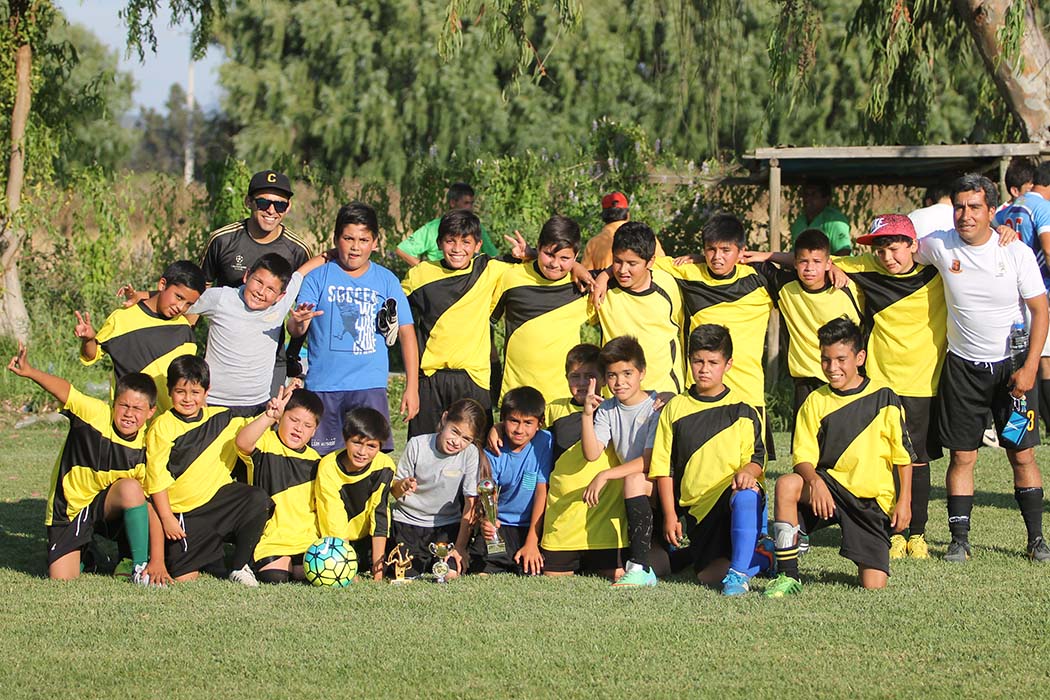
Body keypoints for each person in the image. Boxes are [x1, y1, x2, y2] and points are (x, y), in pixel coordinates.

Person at [915, 173, 1050, 563]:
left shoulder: (1015, 251)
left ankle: (1036, 540)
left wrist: (1028, 369)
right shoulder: (939, 244)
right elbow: (895, 250)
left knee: (1022, 455)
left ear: (992, 211)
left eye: (975, 207)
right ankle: (959, 540)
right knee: (963, 457)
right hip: (962, 371)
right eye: (959, 206)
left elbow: (1041, 311)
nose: (965, 215)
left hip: (1012, 374)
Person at [766, 318, 915, 596]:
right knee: (787, 484)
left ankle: (776, 548)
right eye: (825, 360)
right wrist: (815, 482)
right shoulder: (815, 401)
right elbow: (802, 458)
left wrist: (904, 502)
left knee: (873, 584)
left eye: (840, 359)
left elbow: (903, 458)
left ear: (860, 357)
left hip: (871, 501)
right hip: (829, 490)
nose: (832, 368)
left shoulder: (885, 397)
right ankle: (787, 575)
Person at [7, 343, 166, 584]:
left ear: (151, 411)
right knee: (62, 579)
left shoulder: (149, 442)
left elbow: (152, 503)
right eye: (123, 405)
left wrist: (157, 562)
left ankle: (137, 563)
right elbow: (66, 391)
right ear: (114, 403)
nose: (129, 414)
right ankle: (87, 554)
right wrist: (30, 371)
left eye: (137, 408)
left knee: (132, 488)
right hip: (71, 509)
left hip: (110, 506)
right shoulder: (93, 414)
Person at [289, 201, 419, 455]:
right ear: (336, 239)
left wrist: (411, 387)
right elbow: (296, 329)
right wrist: (298, 321)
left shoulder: (386, 280)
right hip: (324, 386)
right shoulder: (318, 277)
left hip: (369, 386)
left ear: (375, 242)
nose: (355, 247)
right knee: (320, 462)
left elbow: (407, 333)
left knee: (368, 461)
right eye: (348, 238)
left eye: (363, 239)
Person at [649, 325, 770, 596]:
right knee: (707, 576)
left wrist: (748, 471)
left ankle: (739, 575)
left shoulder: (743, 409)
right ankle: (763, 557)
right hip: (698, 510)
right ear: (689, 361)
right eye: (698, 361)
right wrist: (670, 515)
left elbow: (756, 460)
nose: (704, 369)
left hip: (731, 500)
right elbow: (664, 468)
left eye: (713, 362)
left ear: (728, 364)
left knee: (745, 493)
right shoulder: (675, 408)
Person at [655, 213, 777, 456]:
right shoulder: (688, 272)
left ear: (741, 251)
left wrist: (770, 256)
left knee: (749, 473)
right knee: (700, 465)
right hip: (701, 393)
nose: (717, 257)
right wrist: (602, 275)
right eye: (710, 250)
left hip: (747, 392)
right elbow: (637, 260)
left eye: (725, 250)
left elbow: (809, 261)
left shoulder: (760, 276)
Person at [401, 209, 528, 438]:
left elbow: (547, 267)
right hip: (431, 377)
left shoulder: (489, 269)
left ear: (478, 245)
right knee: (423, 452)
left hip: (474, 377)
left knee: (477, 452)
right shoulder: (420, 274)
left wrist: (528, 254)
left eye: (465, 242)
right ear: (439, 243)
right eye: (450, 241)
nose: (457, 249)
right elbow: (392, 309)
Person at [145, 355, 270, 586]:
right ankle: (206, 555)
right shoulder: (162, 427)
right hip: (183, 513)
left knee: (257, 498)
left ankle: (239, 565)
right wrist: (167, 518)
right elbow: (156, 480)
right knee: (185, 578)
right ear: (169, 390)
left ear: (207, 391)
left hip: (218, 503)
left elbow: (249, 434)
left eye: (195, 392)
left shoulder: (223, 417)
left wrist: (272, 414)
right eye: (181, 392)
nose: (188, 399)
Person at [199, 169, 313, 392]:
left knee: (265, 420)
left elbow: (303, 309)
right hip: (224, 353)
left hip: (269, 356)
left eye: (280, 205)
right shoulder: (222, 240)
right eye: (263, 203)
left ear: (288, 207)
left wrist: (292, 356)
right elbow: (197, 295)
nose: (271, 210)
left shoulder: (297, 250)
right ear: (248, 201)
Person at [188, 253, 322, 416]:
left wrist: (334, 254)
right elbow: (181, 302)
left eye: (271, 289)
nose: (261, 292)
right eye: (258, 282)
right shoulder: (221, 298)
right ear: (247, 275)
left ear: (280, 296)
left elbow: (301, 272)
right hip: (213, 401)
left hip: (256, 404)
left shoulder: (279, 306)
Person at [581, 336, 665, 587]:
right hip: (639, 494)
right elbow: (592, 452)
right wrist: (587, 415)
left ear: (642, 372)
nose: (619, 382)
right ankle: (648, 563)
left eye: (627, 373)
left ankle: (638, 568)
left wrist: (605, 475)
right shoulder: (607, 409)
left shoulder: (657, 405)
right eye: (612, 375)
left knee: (633, 478)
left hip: (663, 486)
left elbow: (648, 461)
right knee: (667, 565)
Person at [538, 344, 627, 580]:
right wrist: (497, 428)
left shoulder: (618, 408)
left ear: (604, 380)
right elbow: (522, 426)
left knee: (616, 574)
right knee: (552, 577)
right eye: (575, 376)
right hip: (563, 521)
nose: (582, 383)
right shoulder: (554, 409)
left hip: (604, 522)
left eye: (590, 376)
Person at [76, 260, 205, 413]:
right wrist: (89, 339)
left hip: (166, 427)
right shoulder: (122, 318)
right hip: (129, 424)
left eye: (188, 304)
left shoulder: (184, 331)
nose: (181, 307)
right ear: (162, 285)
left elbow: (186, 383)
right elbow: (91, 356)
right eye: (178, 297)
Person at [491, 215, 593, 403]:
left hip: (565, 399)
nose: (555, 263)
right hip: (518, 396)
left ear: (575, 256)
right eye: (549, 254)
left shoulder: (583, 286)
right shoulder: (511, 278)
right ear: (538, 247)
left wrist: (581, 269)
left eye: (564, 258)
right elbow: (486, 324)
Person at [234, 385, 324, 584]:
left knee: (312, 574)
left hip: (306, 540)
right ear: (282, 417)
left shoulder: (317, 460)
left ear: (314, 430)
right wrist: (269, 416)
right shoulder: (266, 443)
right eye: (293, 420)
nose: (299, 429)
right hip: (271, 540)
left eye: (307, 426)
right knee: (275, 577)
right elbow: (242, 442)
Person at [390, 398, 486, 579]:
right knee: (404, 574)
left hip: (446, 527)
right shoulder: (417, 445)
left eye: (466, 438)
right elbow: (394, 492)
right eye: (455, 431)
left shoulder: (470, 453)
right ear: (444, 420)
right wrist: (401, 486)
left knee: (449, 573)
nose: (457, 442)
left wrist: (459, 547)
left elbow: (470, 503)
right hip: (408, 523)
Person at [769, 229, 861, 414]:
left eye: (817, 262)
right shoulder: (784, 286)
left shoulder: (849, 286)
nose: (810, 268)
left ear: (828, 263)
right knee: (804, 441)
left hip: (845, 380)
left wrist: (835, 266)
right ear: (795, 263)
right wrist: (766, 255)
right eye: (803, 262)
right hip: (806, 381)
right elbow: (741, 260)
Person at [593, 221, 687, 395]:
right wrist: (604, 275)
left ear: (650, 262)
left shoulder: (668, 284)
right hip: (617, 400)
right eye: (617, 261)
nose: (622, 270)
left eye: (632, 263)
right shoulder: (602, 291)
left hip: (663, 396)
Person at [996, 160, 1050, 436]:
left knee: (1022, 361)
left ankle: (1015, 428)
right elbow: (1048, 248)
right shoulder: (1041, 206)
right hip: (1037, 294)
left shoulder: (1006, 209)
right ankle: (1030, 428)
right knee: (1040, 361)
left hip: (1011, 298)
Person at [475, 386, 553, 575]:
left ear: (539, 423)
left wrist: (532, 542)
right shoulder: (494, 450)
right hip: (502, 523)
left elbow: (541, 491)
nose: (519, 429)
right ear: (503, 421)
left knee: (535, 566)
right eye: (513, 421)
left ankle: (522, 554)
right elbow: (487, 493)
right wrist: (488, 520)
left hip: (533, 526)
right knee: (480, 562)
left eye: (528, 423)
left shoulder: (546, 442)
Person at [314, 407, 396, 581]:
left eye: (371, 446)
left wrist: (378, 572)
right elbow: (332, 518)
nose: (362, 452)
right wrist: (346, 567)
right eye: (357, 442)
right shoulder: (328, 466)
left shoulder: (385, 465)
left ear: (380, 447)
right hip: (335, 542)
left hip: (366, 540)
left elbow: (379, 512)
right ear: (345, 439)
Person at [396, 182, 500, 266]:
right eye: (466, 203)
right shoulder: (434, 228)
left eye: (466, 242)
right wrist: (426, 271)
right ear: (452, 203)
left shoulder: (476, 227)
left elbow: (493, 256)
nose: (457, 249)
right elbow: (403, 250)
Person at [580, 191, 665, 270]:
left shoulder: (594, 243)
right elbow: (662, 266)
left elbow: (586, 276)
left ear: (603, 217)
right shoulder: (645, 237)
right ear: (628, 214)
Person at [789, 178, 852, 255]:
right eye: (806, 194)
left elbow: (844, 252)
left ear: (826, 198)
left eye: (813, 195)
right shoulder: (799, 221)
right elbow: (795, 254)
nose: (808, 199)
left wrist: (825, 266)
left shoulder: (834, 220)